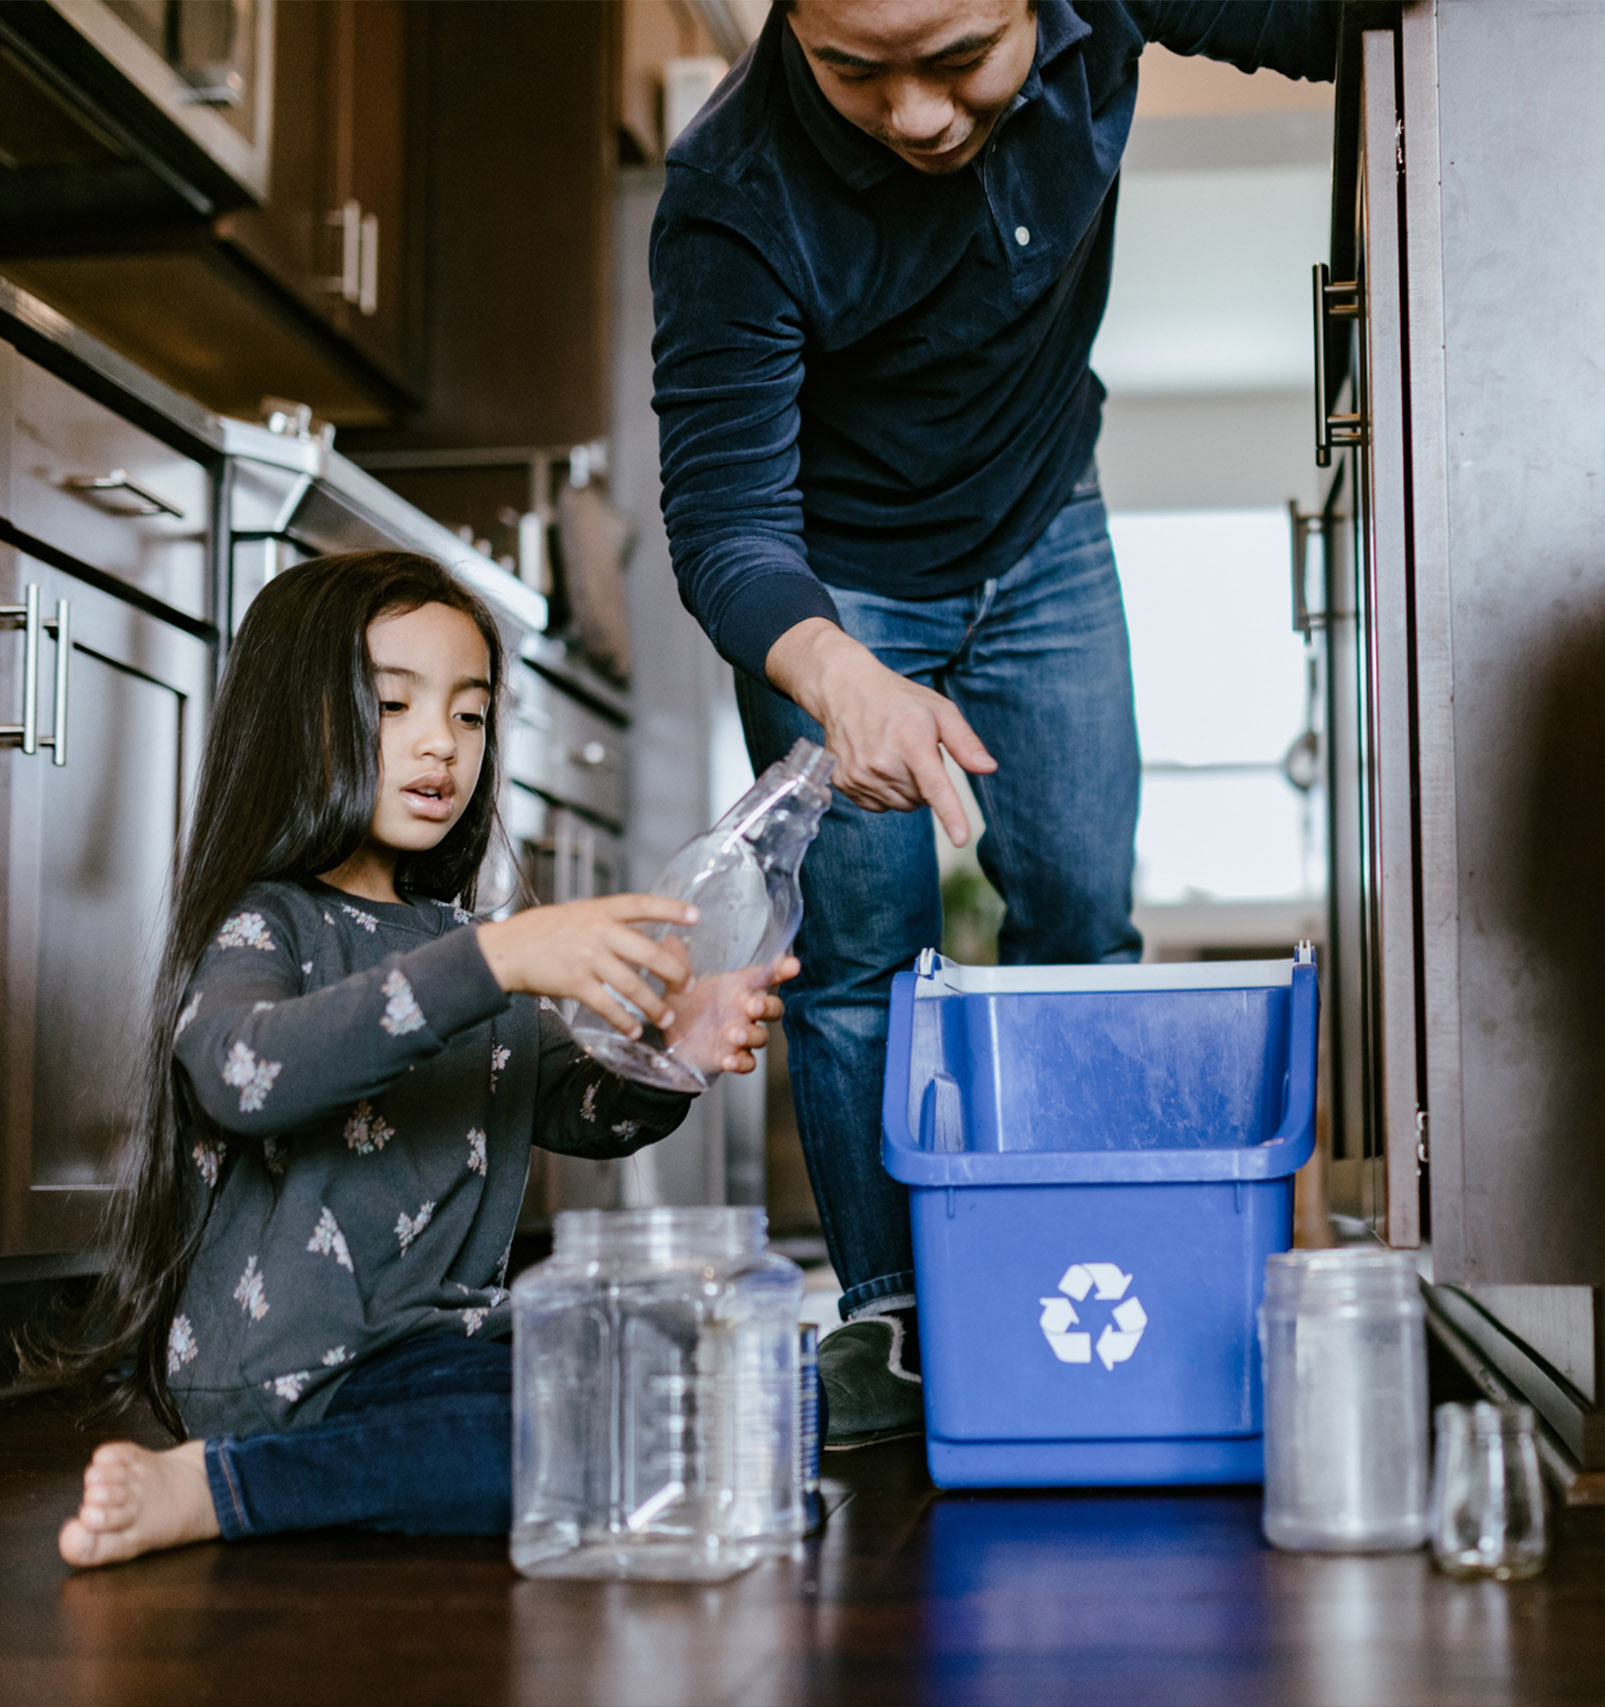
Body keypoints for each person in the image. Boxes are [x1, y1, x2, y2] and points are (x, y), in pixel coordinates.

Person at [650, 0, 1337, 1445]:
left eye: (958, 60)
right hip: (833, 583)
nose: (913, 113)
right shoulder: (729, 196)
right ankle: (891, 1315)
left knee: (1084, 916)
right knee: (860, 961)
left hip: (1044, 528)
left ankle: (1095, 1268)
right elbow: (724, 520)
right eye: (854, 70)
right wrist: (835, 671)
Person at [43, 551, 796, 1567]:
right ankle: (227, 1488)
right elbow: (241, 1071)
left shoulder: (453, 936)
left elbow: (573, 1108)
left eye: (471, 714)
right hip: (290, 1373)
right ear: (293, 719)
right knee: (534, 1443)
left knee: (766, 1386)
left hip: (437, 1356)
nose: (441, 743)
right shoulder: (270, 925)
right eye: (393, 705)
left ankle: (375, 1470)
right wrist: (495, 958)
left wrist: (668, 1056)